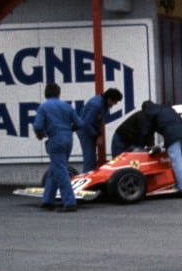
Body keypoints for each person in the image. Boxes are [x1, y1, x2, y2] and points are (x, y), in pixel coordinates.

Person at [32, 82, 84, 212]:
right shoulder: (67, 106)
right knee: (55, 169)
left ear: (45, 93)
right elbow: (79, 123)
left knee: (61, 171)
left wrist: (40, 134)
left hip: (55, 139)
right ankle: (48, 200)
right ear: (58, 93)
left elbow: (38, 126)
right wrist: (69, 130)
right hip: (68, 139)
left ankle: (70, 202)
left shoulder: (44, 107)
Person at [142, 101, 182, 196]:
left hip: (171, 136)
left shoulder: (150, 111)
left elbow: (146, 129)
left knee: (177, 162)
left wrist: (141, 142)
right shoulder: (168, 108)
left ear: (145, 109)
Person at [77, 87, 123, 172]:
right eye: (115, 102)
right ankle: (88, 180)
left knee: (92, 158)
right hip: (85, 130)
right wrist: (97, 135)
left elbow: (98, 121)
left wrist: (99, 134)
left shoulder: (103, 104)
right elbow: (86, 123)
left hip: (91, 129)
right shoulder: (97, 105)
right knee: (90, 158)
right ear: (109, 99)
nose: (115, 104)